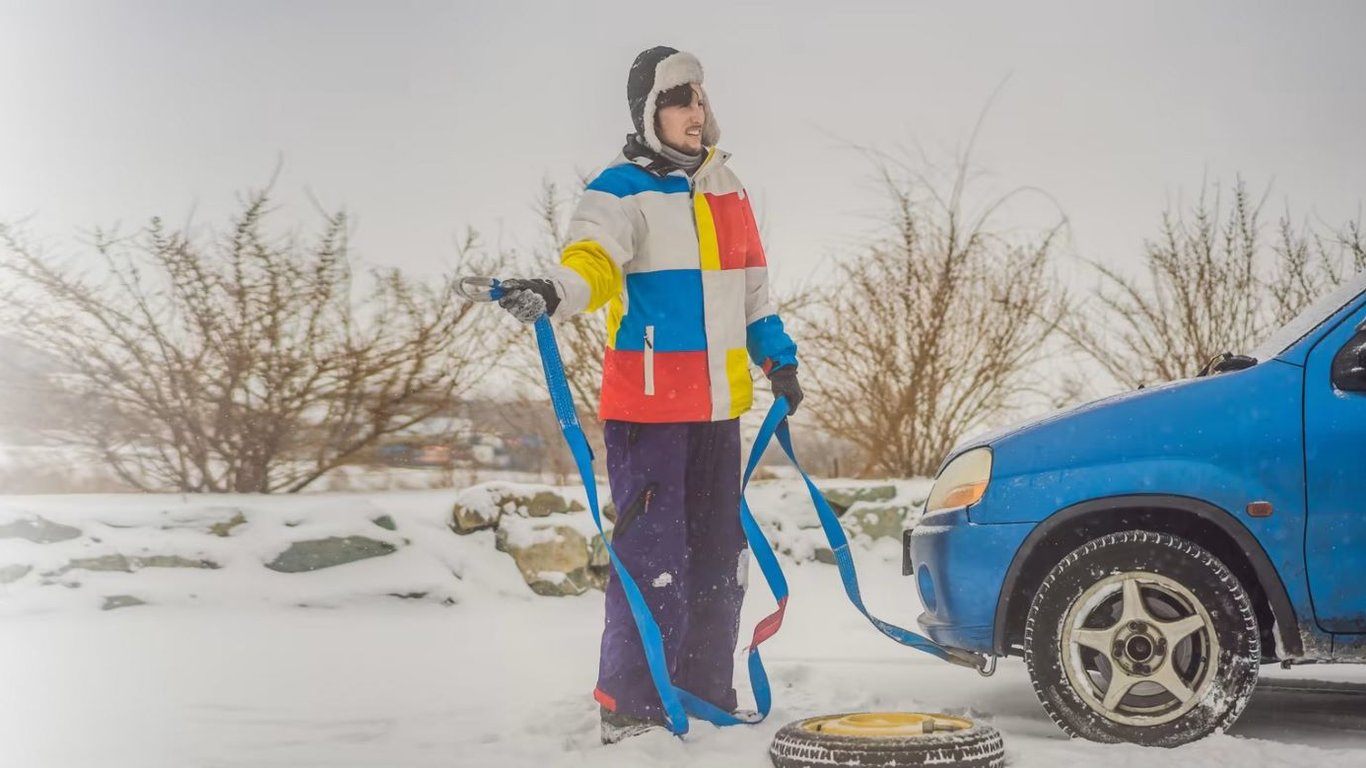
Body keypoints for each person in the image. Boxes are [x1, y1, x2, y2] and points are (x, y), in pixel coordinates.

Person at [496, 45, 803, 744]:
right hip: (649, 414)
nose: (696, 112)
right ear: (648, 112)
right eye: (679, 99)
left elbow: (754, 288)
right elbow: (592, 263)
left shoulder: (728, 189)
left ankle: (701, 693)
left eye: (699, 98)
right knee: (654, 560)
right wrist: (554, 293)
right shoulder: (619, 189)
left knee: (718, 559)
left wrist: (778, 359)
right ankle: (632, 707)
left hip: (719, 413)